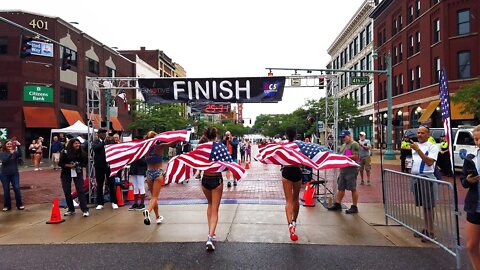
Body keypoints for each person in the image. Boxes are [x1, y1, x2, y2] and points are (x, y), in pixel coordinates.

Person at [142, 131, 179, 225]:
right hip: (158, 172)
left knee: (153, 197)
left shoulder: (145, 148)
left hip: (149, 173)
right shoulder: (160, 146)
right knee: (155, 197)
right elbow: (172, 144)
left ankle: (157, 217)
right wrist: (178, 137)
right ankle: (148, 211)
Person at [410, 125, 439, 243]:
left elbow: (429, 162)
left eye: (422, 133)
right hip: (416, 178)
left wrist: (417, 150)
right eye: (418, 132)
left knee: (429, 205)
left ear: (428, 134)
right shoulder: (415, 146)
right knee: (423, 205)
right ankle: (426, 229)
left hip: (427, 177)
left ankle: (430, 231)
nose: (419, 135)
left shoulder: (433, 146)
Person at [200, 127, 225, 251]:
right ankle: (210, 237)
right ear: (216, 135)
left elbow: (196, 161)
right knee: (215, 209)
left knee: (210, 205)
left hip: (205, 179)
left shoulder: (201, 148)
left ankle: (211, 231)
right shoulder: (220, 147)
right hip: (216, 180)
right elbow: (226, 164)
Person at [460, 124, 480, 269]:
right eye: (476, 139)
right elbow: (463, 182)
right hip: (474, 206)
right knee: (471, 245)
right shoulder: (471, 157)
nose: (478, 142)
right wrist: (468, 180)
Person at [328, 130, 360, 214]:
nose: (343, 139)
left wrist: (344, 156)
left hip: (351, 170)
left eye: (344, 137)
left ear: (349, 135)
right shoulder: (343, 146)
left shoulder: (354, 144)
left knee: (352, 188)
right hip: (343, 169)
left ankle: (354, 206)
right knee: (341, 187)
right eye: (342, 137)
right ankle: (338, 204)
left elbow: (356, 156)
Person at [281, 127, 303, 241]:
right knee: (296, 199)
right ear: (296, 134)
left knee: (288, 200)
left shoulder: (283, 146)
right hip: (297, 171)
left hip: (286, 171)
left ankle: (290, 224)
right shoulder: (300, 146)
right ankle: (294, 221)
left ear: (286, 134)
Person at [58, 139, 89, 217]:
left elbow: (85, 163)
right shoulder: (65, 152)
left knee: (80, 190)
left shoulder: (82, 152)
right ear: (71, 144)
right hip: (66, 173)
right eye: (75, 143)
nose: (77, 145)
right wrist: (69, 165)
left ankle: (85, 210)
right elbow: (60, 163)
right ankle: (71, 209)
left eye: (78, 143)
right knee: (67, 191)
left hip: (77, 172)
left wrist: (78, 165)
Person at [92, 128, 118, 210]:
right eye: (102, 133)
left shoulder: (109, 141)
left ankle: (114, 202)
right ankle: (100, 203)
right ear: (98, 134)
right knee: (100, 184)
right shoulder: (96, 142)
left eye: (105, 133)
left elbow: (115, 147)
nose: (104, 135)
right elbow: (96, 149)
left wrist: (112, 141)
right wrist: (104, 142)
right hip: (99, 166)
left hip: (109, 165)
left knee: (111, 184)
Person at [0, 140, 24, 211]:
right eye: (8, 144)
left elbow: (20, 154)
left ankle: (19, 205)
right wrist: (10, 154)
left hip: (14, 174)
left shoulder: (15, 152)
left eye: (10, 144)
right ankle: (7, 206)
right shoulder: (2, 153)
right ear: (5, 145)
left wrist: (18, 146)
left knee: (16, 188)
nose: (9, 145)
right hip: (4, 174)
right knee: (6, 190)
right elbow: (4, 161)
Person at [128, 137, 147, 211]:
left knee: (141, 187)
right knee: (135, 187)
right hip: (134, 170)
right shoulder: (132, 151)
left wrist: (137, 157)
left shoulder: (142, 151)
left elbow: (145, 162)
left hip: (140, 171)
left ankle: (142, 204)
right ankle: (135, 203)